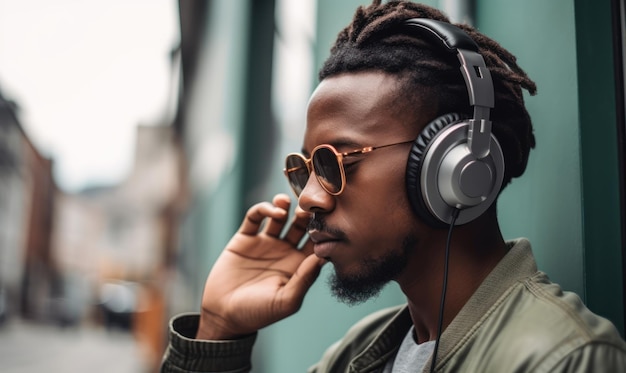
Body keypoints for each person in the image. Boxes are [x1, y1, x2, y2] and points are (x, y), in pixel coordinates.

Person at [161, 1, 626, 372]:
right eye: (305, 168)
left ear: (455, 165)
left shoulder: (563, 359)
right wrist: (219, 330)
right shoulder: (356, 356)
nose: (308, 200)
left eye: (336, 162)